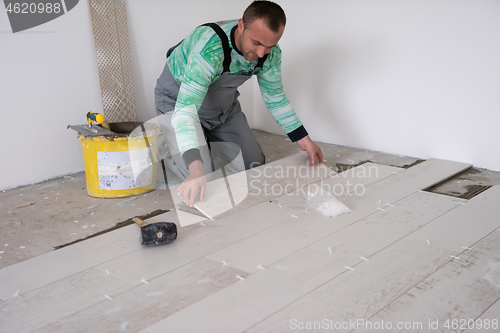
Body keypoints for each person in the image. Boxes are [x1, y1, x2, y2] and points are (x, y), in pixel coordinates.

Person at [154, 0, 323, 207]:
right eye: (257, 43)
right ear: (241, 25)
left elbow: (275, 97)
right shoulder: (209, 50)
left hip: (221, 107)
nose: (261, 53)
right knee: (202, 178)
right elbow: (185, 112)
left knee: (253, 167)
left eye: (269, 46)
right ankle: (174, 148)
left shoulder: (270, 54)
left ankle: (203, 141)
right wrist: (195, 168)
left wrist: (304, 139)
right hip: (178, 102)